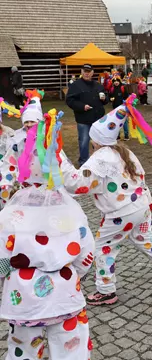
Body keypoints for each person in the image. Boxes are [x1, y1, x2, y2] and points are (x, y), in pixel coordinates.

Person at [60, 95, 152, 306]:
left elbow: (76, 184)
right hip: (141, 206)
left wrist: (58, 157)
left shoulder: (100, 158)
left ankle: (106, 290)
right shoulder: (124, 151)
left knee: (103, 247)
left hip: (121, 212)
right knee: (146, 240)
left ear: (96, 139)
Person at [0, 109, 95, 360]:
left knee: (23, 350)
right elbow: (86, 253)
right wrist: (69, 272)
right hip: (64, 294)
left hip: (21, 297)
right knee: (70, 347)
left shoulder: (9, 214)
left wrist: (7, 280)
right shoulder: (70, 210)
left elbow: (1, 260)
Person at [0, 90, 45, 206]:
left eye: (32, 121)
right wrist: (6, 183)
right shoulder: (17, 140)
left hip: (46, 189)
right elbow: (10, 163)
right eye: (26, 121)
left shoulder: (48, 139)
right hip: (25, 190)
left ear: (39, 122)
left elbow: (60, 163)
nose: (29, 124)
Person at [66, 63, 109, 167]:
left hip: (98, 119)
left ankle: (98, 161)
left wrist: (104, 99)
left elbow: (106, 99)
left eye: (88, 71)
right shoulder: (75, 85)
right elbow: (69, 100)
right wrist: (82, 106)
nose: (86, 73)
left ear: (92, 73)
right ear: (81, 72)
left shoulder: (98, 85)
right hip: (83, 119)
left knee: (98, 141)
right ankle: (84, 162)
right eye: (85, 71)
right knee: (84, 141)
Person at [110, 75, 130, 141]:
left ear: (119, 81)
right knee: (116, 122)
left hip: (123, 107)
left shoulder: (123, 88)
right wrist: (111, 99)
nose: (116, 82)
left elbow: (127, 96)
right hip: (115, 108)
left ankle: (126, 135)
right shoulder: (112, 89)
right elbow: (110, 96)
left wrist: (124, 102)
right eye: (114, 81)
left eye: (117, 81)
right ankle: (117, 136)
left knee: (124, 122)